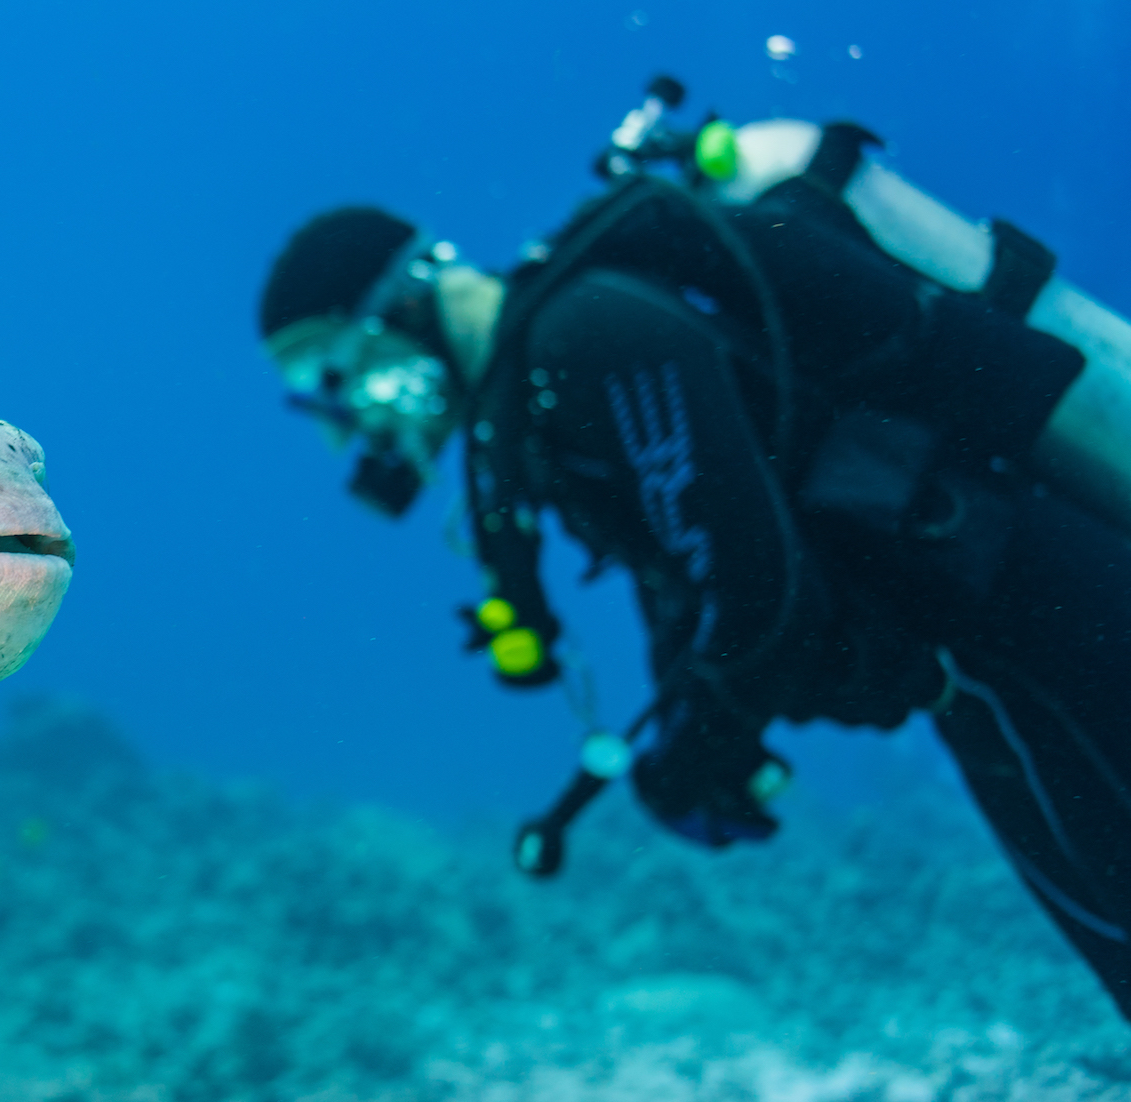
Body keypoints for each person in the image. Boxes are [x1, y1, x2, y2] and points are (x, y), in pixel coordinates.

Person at [258, 81, 1131, 1020]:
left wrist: (696, 752)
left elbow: (761, 591)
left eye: (334, 376)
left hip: (1041, 611)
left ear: (399, 303)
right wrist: (693, 736)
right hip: (990, 656)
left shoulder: (581, 337)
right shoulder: (546, 395)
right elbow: (702, 569)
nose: (350, 424)